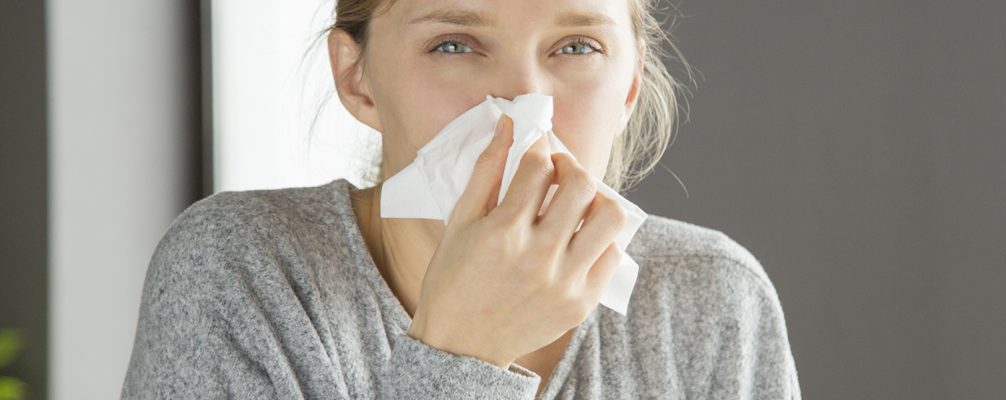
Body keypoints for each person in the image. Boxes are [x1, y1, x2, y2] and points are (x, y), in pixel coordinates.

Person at [120, 0, 801, 398]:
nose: (524, 106)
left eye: (576, 46)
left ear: (629, 85)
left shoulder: (709, 297)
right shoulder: (242, 272)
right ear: (356, 79)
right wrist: (463, 350)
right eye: (453, 44)